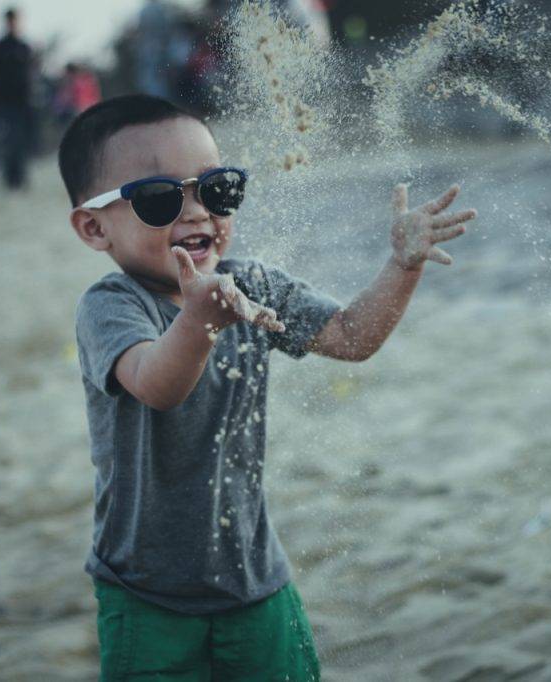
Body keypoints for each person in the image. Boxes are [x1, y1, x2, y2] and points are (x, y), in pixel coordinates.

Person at [59, 94, 476, 680]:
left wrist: (402, 266)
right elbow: (157, 385)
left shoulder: (249, 285)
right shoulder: (112, 306)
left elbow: (352, 336)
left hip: (254, 579)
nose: (197, 213)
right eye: (159, 198)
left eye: (216, 189)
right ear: (94, 227)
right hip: (146, 592)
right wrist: (199, 320)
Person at [0, 7, 33, 189]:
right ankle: (10, 179)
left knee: (22, 140)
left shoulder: (24, 47)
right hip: (4, 103)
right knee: (9, 140)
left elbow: (30, 74)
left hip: (23, 102)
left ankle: (21, 178)